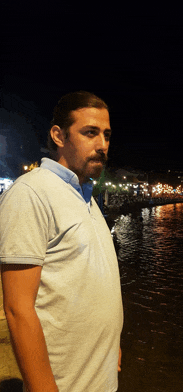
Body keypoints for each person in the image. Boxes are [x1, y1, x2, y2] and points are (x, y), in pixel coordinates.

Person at [0, 91, 124, 392]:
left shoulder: (87, 199)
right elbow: (18, 310)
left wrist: (111, 344)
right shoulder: (32, 193)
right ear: (58, 135)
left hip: (100, 378)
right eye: (90, 133)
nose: (102, 145)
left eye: (106, 135)